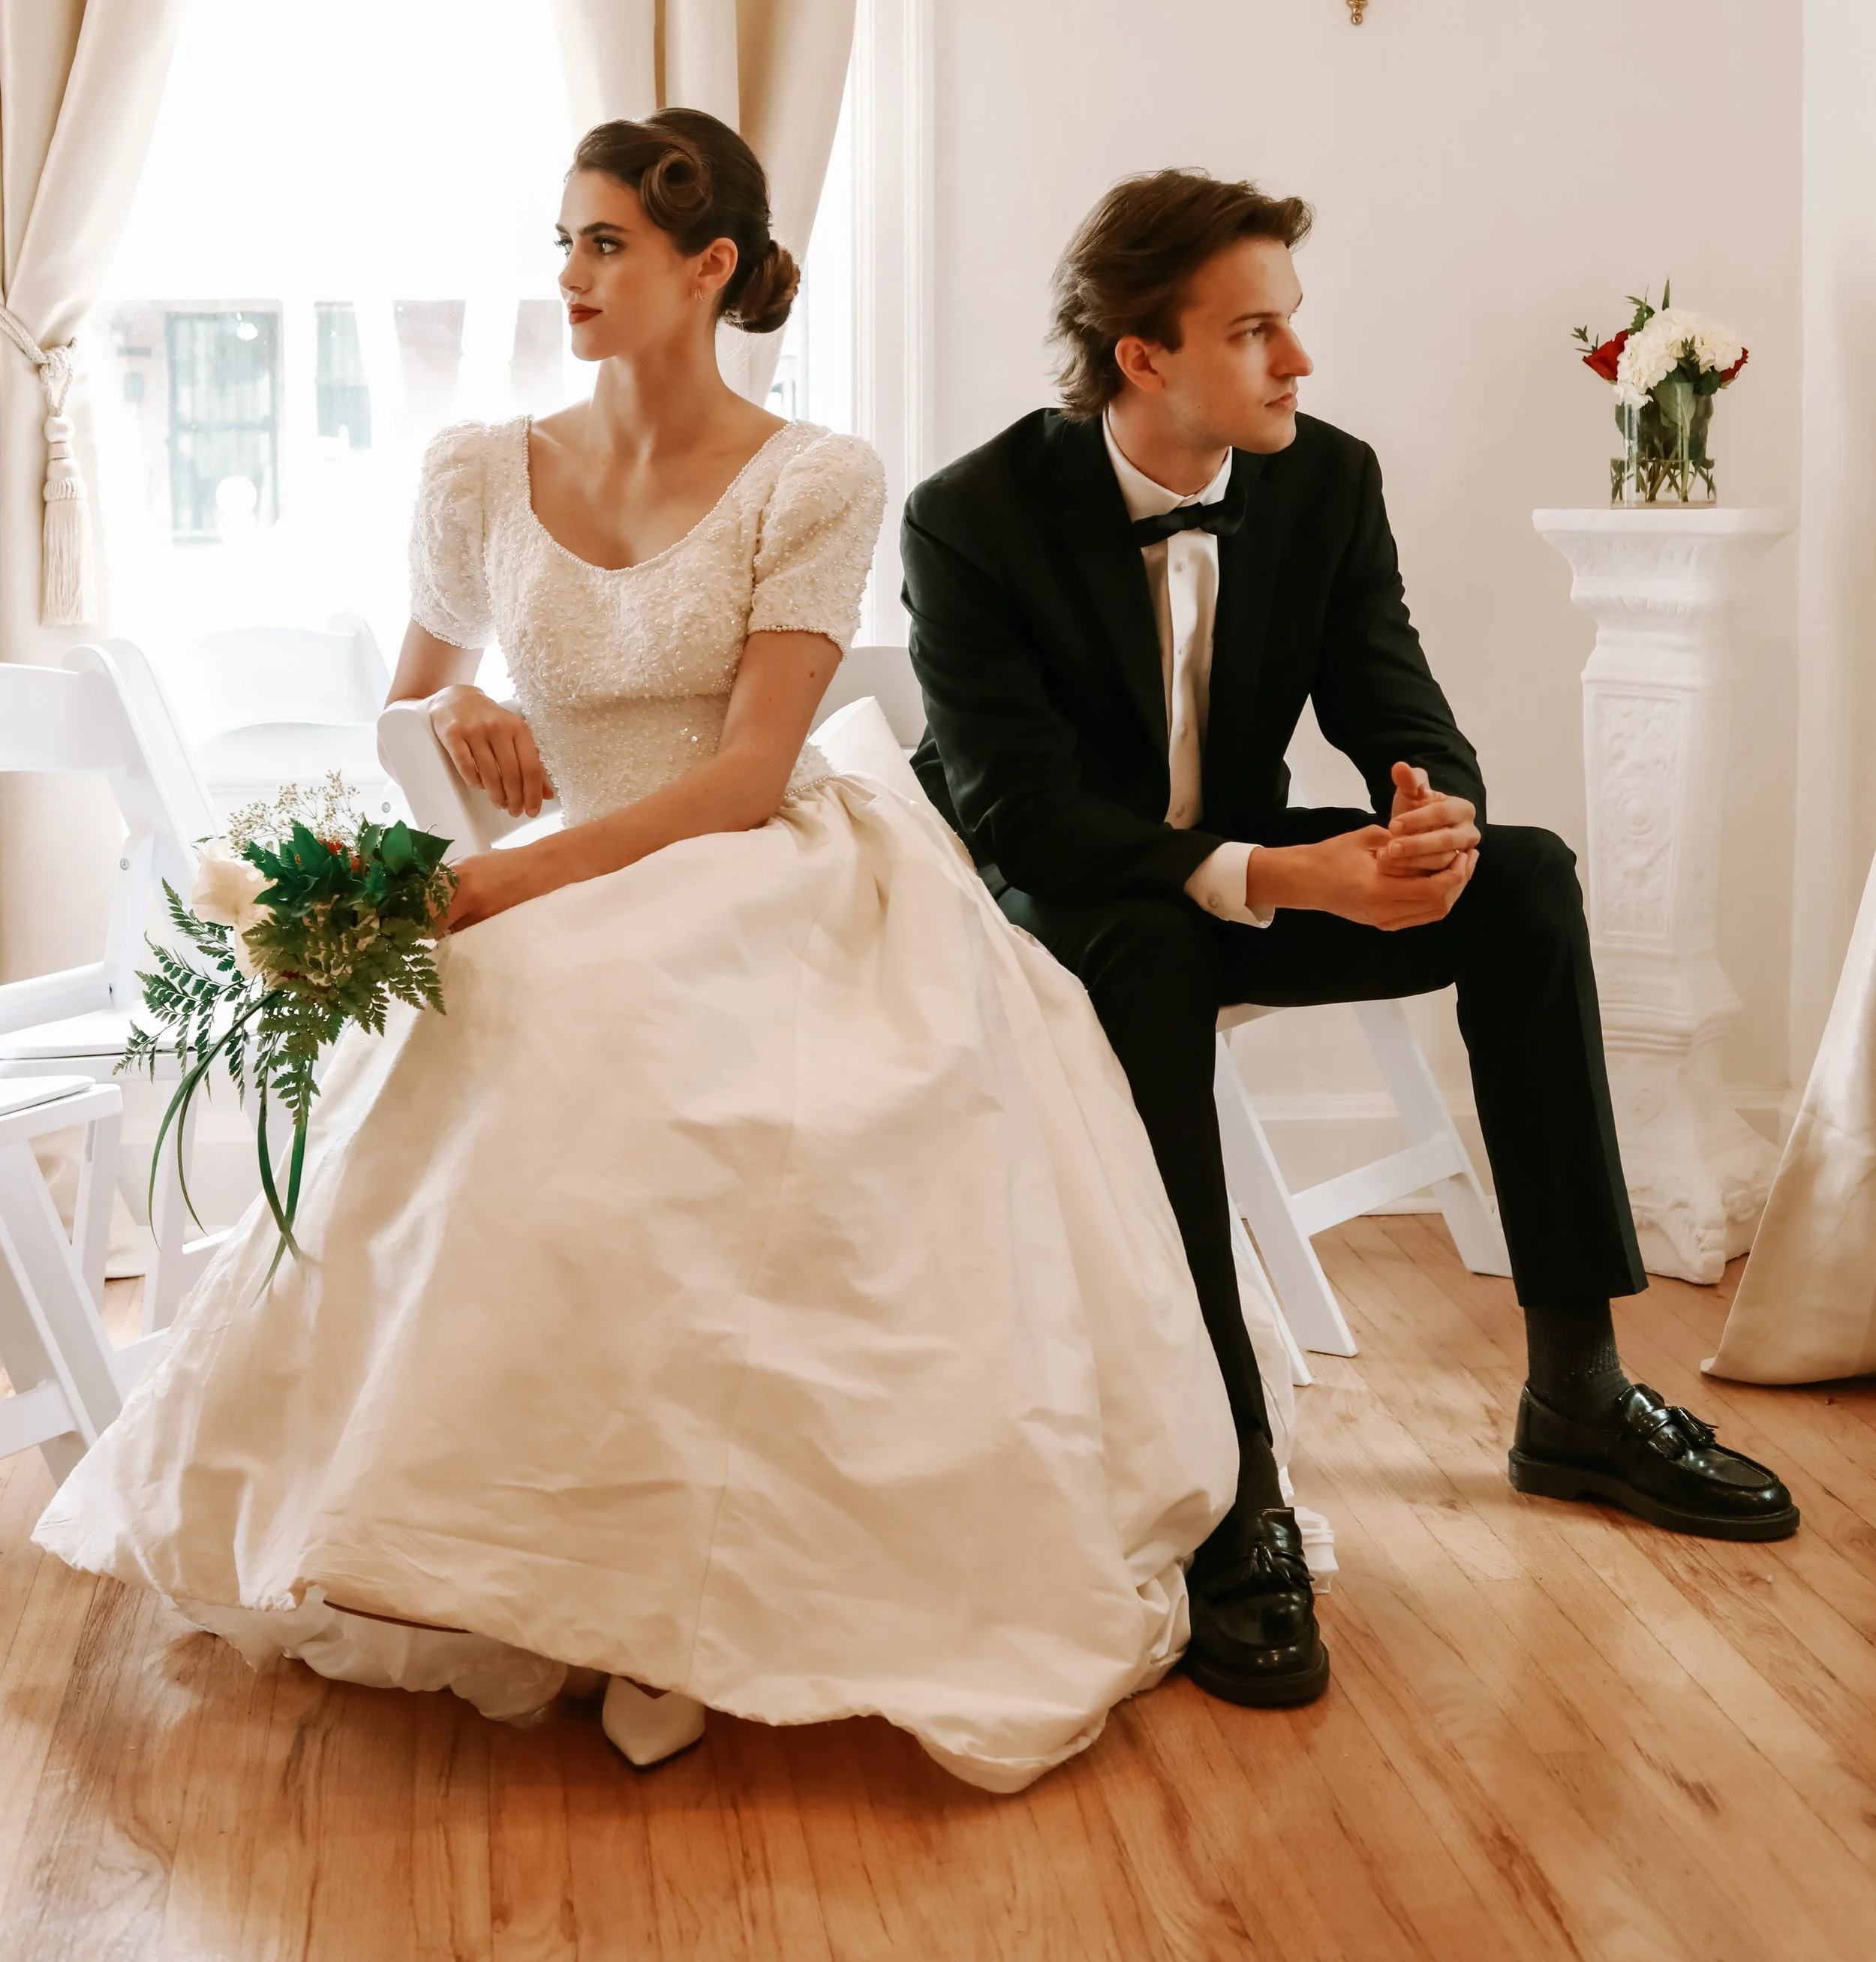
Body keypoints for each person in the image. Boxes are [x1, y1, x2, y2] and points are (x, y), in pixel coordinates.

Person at [35, 113, 1252, 1795]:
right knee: (512, 1032)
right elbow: (406, 695)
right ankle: (503, 1563)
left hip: (756, 865)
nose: (570, 277)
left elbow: (748, 773)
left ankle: (680, 1609)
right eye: (564, 240)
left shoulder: (815, 474)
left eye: (606, 245)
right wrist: (454, 703)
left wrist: (510, 894)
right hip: (563, 871)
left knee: (607, 1035)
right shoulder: (477, 466)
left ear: (711, 270)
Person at [900, 166, 1799, 1712]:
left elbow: (1390, 693)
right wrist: (1274, 878)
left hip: (1247, 872)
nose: (1296, 363)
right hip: (1071, 906)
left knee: (1522, 884)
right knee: (1150, 950)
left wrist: (1430, 811)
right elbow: (1025, 824)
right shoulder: (968, 517)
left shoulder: (1323, 479)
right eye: (1255, 333)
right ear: (1142, 355)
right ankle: (1230, 1490)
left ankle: (1576, 1394)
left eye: (1289, 326)